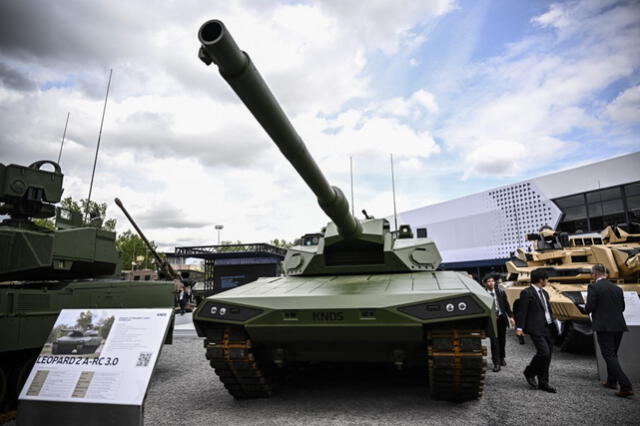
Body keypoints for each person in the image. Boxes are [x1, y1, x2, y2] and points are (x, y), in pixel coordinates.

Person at [584, 264, 633, 397]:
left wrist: (585, 308)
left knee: (608, 355)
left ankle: (625, 385)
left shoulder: (593, 287)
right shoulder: (617, 288)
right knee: (613, 354)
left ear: (594, 274)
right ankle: (612, 381)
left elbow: (590, 307)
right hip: (618, 326)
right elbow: (622, 307)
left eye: (592, 274)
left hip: (603, 326)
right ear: (605, 273)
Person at [515, 268, 557, 393]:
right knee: (543, 352)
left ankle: (544, 382)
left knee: (548, 356)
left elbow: (547, 311)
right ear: (541, 280)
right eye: (546, 279)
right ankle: (529, 372)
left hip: (548, 328)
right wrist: (519, 328)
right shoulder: (527, 293)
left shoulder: (545, 293)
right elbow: (522, 312)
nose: (547, 281)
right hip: (535, 328)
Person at [482, 274, 514, 372]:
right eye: (488, 281)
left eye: (492, 281)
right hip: (491, 320)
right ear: (484, 283)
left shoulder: (501, 292)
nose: (491, 283)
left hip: (501, 318)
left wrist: (511, 317)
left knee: (502, 340)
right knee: (494, 341)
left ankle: (502, 358)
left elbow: (506, 306)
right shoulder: (483, 294)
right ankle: (496, 363)